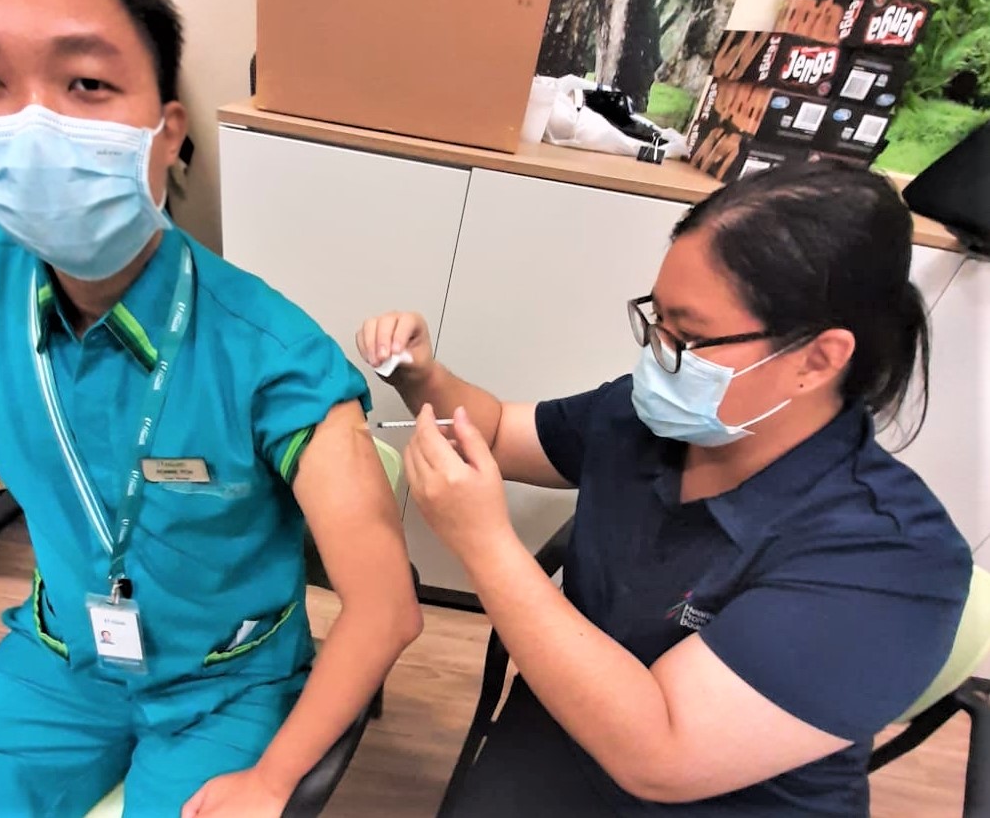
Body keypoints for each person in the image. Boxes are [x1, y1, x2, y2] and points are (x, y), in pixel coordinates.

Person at [0, 0, 421, 818]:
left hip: (225, 683)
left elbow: (385, 608)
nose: (35, 124)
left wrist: (270, 782)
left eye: (87, 85)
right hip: (57, 662)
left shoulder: (275, 354)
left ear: (166, 131)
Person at [357, 161, 972, 817]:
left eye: (689, 335)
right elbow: (503, 431)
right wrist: (420, 375)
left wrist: (483, 543)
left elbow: (661, 755)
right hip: (569, 720)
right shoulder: (649, 419)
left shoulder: (893, 562)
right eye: (657, 319)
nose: (657, 353)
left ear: (817, 359)